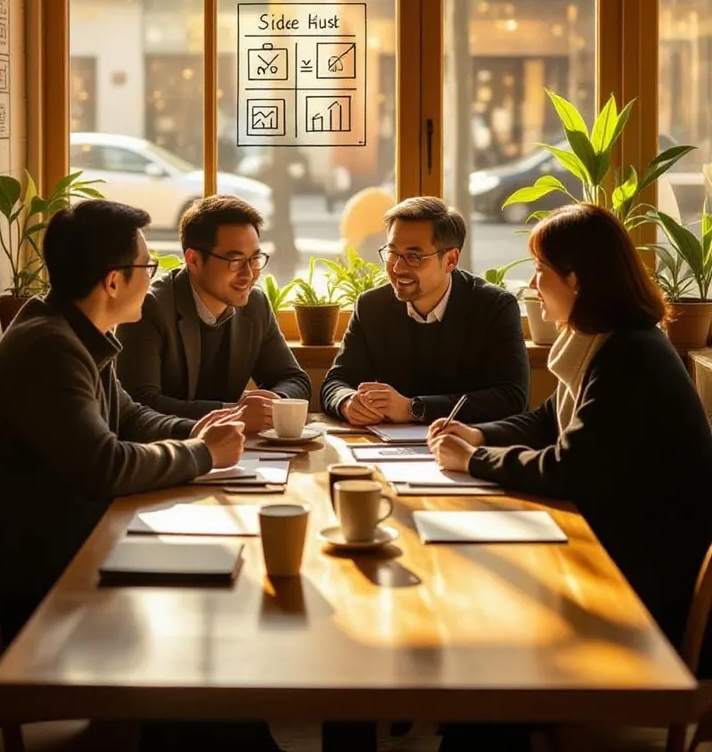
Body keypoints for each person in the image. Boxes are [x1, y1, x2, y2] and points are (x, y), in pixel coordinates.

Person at [429, 202, 712, 664]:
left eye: (541, 271)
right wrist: (478, 435)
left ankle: (500, 722)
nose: (532, 285)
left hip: (645, 590)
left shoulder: (630, 356)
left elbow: (570, 468)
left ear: (576, 279)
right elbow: (549, 418)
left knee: (493, 613)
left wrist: (472, 460)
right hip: (620, 552)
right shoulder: (610, 339)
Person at [0, 200, 245, 643]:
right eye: (148, 267)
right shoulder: (49, 348)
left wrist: (192, 430)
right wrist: (202, 453)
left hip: (74, 548)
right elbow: (106, 466)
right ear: (114, 281)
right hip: (40, 587)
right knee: (205, 621)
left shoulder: (78, 331)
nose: (154, 281)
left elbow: (129, 416)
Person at [320, 196, 529, 426]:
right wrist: (348, 402)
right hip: (388, 451)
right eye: (392, 253)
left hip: (470, 447)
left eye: (414, 257)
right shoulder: (372, 306)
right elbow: (335, 383)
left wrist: (414, 409)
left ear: (450, 260)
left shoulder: (495, 307)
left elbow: (511, 397)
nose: (398, 268)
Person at [117, 196, 311, 432]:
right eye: (236, 260)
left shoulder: (255, 304)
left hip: (238, 454)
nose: (249, 274)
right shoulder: (150, 308)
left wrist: (271, 405)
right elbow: (140, 403)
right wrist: (234, 413)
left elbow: (295, 380)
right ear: (194, 260)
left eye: (254, 259)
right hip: (169, 452)